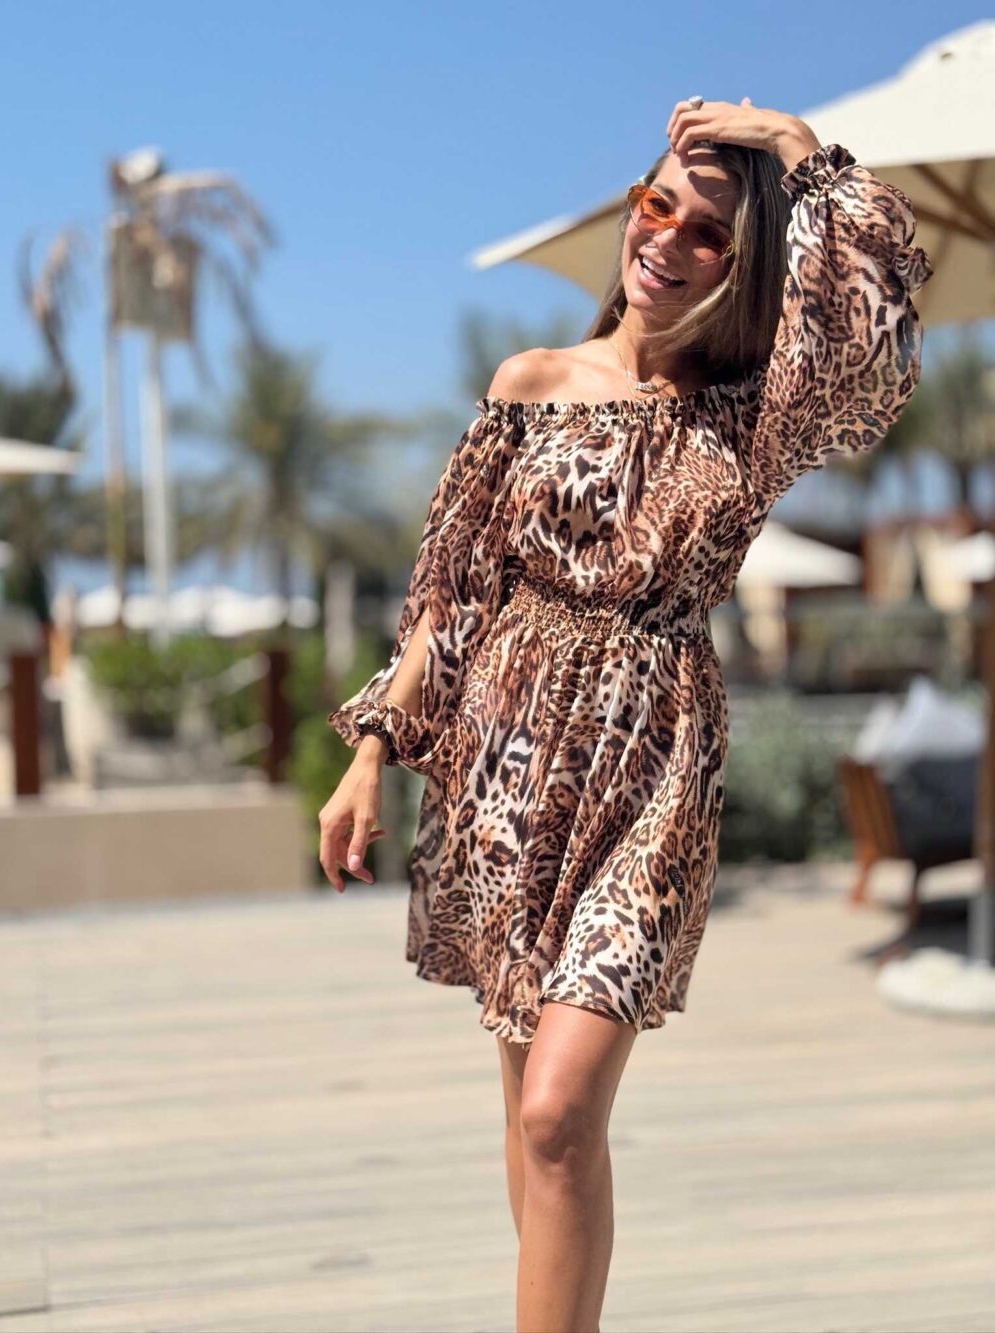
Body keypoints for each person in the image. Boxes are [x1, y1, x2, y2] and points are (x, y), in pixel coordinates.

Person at [320, 96, 934, 1333]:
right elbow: (450, 592)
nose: (670, 240)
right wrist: (372, 748)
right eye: (660, 206)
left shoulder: (754, 415)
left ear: (742, 265)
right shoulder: (528, 383)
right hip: (502, 766)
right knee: (533, 1112)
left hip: (652, 770)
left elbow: (874, 338)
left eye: (710, 232)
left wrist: (795, 151)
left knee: (558, 1109)